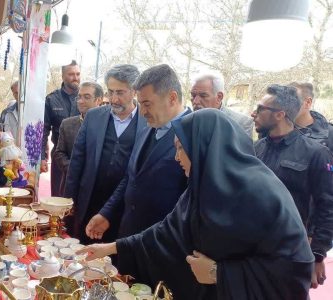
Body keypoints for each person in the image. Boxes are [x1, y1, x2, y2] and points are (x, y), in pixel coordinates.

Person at [78, 109, 314, 300]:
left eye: (181, 148)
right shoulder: (203, 187)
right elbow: (166, 232)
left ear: (205, 147)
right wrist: (112, 248)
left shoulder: (261, 193)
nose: (176, 157)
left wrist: (219, 274)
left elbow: (294, 268)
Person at [85, 64, 189, 240]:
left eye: (147, 104)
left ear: (172, 98)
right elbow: (130, 178)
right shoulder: (148, 128)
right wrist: (106, 213)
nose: (142, 111)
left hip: (163, 246)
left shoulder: (193, 136)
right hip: (129, 238)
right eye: (140, 104)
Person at [251, 84, 333, 289]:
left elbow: (328, 206)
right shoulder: (255, 149)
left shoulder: (315, 153)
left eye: (261, 109)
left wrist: (317, 254)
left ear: (280, 114)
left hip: (291, 254)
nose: (254, 113)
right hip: (253, 251)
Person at [64, 65, 146, 244]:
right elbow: (77, 161)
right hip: (90, 201)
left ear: (134, 91)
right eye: (111, 92)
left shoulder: (148, 121)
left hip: (125, 208)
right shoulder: (94, 117)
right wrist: (69, 201)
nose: (114, 99)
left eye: (120, 92)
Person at [54, 82, 103, 196]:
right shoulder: (67, 124)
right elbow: (59, 153)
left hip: (98, 189)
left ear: (99, 100)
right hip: (71, 186)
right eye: (79, 97)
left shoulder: (109, 125)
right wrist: (75, 169)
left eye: (87, 97)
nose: (80, 101)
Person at [41, 60, 81, 196]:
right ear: (63, 76)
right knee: (58, 197)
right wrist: (42, 157)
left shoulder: (86, 98)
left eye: (78, 74)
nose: (75, 78)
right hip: (59, 155)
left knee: (79, 199)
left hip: (82, 156)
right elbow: (44, 130)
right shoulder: (51, 99)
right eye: (71, 74)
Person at [290, 81, 333, 151]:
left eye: (292, 100)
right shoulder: (276, 130)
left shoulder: (330, 134)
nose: (286, 105)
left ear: (308, 102)